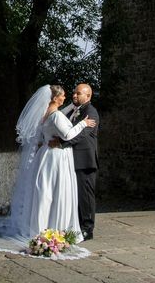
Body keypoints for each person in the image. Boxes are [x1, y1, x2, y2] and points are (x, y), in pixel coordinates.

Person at [0, 84, 96, 259]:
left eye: (72, 94)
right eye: (63, 95)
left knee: (45, 193)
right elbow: (68, 135)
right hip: (56, 158)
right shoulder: (56, 115)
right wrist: (82, 123)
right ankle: (53, 228)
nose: (66, 97)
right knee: (54, 193)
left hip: (48, 157)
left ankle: (44, 226)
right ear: (55, 98)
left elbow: (48, 134)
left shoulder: (46, 115)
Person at [54, 83, 100, 241]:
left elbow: (83, 135)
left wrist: (61, 143)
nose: (74, 95)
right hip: (73, 159)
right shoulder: (73, 111)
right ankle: (78, 226)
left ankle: (88, 229)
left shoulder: (91, 112)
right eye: (74, 93)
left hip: (85, 161)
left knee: (86, 196)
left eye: (78, 93)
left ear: (88, 96)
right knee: (77, 195)